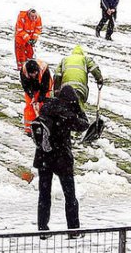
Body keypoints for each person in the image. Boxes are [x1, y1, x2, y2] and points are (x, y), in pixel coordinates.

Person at [33, 85, 89, 239]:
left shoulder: (47, 106)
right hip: (61, 158)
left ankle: (43, 229)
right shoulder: (68, 114)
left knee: (44, 194)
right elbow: (84, 124)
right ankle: (73, 230)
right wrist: (79, 109)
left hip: (43, 156)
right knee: (70, 195)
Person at [54, 45, 104, 110]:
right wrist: (99, 79)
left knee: (64, 109)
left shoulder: (64, 60)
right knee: (79, 110)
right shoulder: (85, 59)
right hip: (79, 89)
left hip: (65, 90)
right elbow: (94, 68)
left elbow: (57, 75)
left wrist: (56, 91)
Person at [20, 59, 53, 135]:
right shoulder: (23, 72)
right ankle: (29, 129)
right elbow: (26, 87)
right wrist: (32, 97)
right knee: (29, 106)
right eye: (32, 74)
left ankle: (45, 127)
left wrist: (39, 99)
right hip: (32, 87)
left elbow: (45, 87)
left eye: (35, 72)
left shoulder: (44, 70)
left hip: (44, 86)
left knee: (43, 106)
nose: (35, 74)